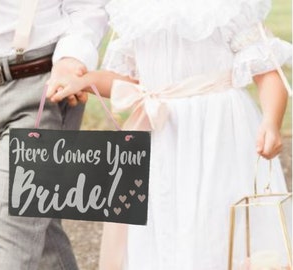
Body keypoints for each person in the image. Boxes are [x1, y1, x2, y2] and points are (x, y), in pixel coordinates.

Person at [47, 0, 292, 269]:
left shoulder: (226, 8)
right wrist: (85, 80)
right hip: (160, 133)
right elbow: (129, 80)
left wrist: (271, 121)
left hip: (217, 133)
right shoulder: (136, 10)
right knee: (160, 219)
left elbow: (267, 71)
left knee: (214, 217)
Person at [0, 0, 108, 269]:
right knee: (40, 234)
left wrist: (72, 59)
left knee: (9, 241)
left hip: (42, 89)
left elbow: (88, 6)